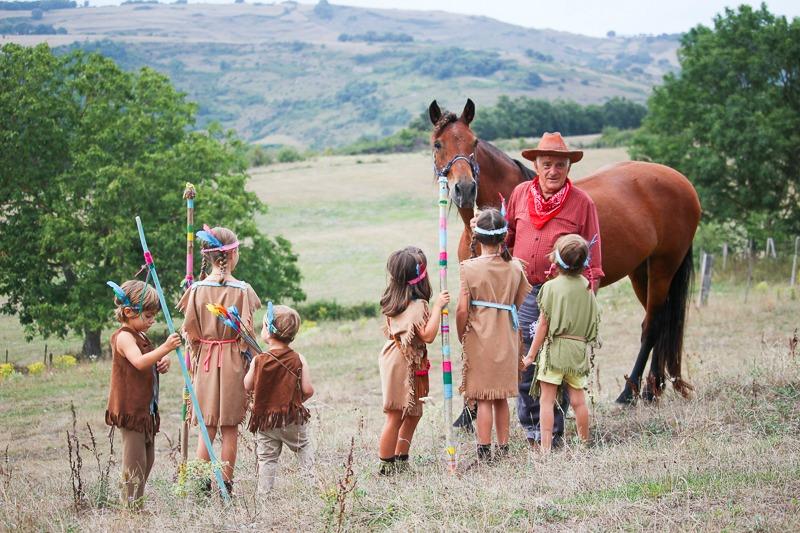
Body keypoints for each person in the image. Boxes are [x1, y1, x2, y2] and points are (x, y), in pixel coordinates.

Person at [505, 132, 603, 446]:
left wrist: (587, 298)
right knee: (526, 360)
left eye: (559, 165)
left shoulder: (582, 203)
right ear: (535, 164)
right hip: (524, 291)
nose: (552, 171)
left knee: (555, 360)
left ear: (568, 168)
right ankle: (533, 428)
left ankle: (554, 431)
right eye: (546, 164)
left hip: (561, 295)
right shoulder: (520, 193)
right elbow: (507, 238)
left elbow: (593, 255)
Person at [178, 224, 261, 495]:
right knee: (229, 428)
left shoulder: (197, 290)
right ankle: (226, 484)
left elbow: (189, 331)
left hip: (204, 361)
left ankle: (202, 486)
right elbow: (247, 332)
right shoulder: (243, 290)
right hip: (233, 361)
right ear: (233, 253)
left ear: (208, 257)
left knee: (207, 427)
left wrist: (196, 352)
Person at [456, 208, 531, 461]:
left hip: (480, 338)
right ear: (504, 237)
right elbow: (519, 302)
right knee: (501, 397)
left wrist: (460, 334)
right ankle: (504, 447)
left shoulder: (468, 268)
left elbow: (462, 309)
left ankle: (484, 451)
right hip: (507, 336)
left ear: (476, 236)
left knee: (483, 397)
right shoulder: (516, 267)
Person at [105, 279, 181, 509]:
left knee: (148, 460)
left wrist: (161, 360)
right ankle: (129, 509)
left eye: (153, 316)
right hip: (130, 409)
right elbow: (138, 362)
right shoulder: (124, 336)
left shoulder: (142, 336)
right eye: (148, 316)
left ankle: (135, 502)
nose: (152, 321)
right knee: (134, 462)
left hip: (145, 409)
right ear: (129, 312)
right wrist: (165, 348)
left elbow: (148, 359)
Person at [522, 234, 600, 453]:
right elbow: (593, 317)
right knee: (578, 400)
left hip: (555, 349)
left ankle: (545, 448)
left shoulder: (550, 287)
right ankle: (584, 444)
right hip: (577, 349)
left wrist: (530, 356)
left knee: (546, 401)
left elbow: (543, 325)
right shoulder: (587, 286)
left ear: (555, 261)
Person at [378, 246, 449, 474]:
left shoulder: (394, 298)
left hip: (403, 359)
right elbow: (427, 335)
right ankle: (386, 465)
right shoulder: (418, 306)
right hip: (403, 363)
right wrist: (437, 307)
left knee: (413, 413)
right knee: (396, 414)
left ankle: (401, 458)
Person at [244, 304, 314, 493]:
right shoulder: (298, 358)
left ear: (268, 330)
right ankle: (310, 486)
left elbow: (247, 385)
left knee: (267, 459)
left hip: (266, 422)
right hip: (292, 418)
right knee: (303, 448)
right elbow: (308, 389)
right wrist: (295, 402)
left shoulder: (259, 360)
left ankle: (264, 494)